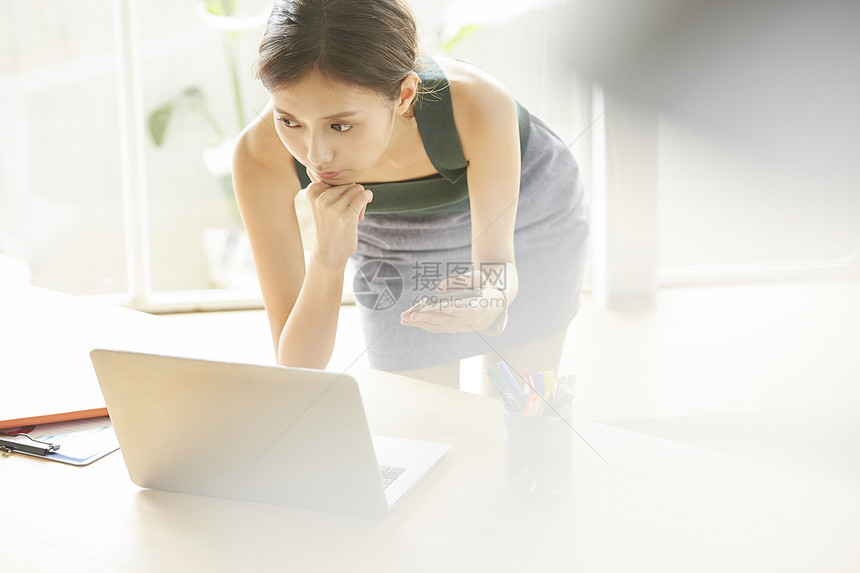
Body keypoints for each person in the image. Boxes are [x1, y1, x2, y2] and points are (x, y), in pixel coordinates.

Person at [232, 0, 588, 394]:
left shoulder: (480, 104)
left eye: (340, 125)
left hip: (531, 215)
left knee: (518, 409)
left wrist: (490, 296)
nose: (315, 154)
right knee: (423, 425)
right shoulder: (259, 158)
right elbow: (298, 364)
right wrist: (327, 260)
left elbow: (497, 268)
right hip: (391, 241)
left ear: (404, 95)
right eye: (288, 120)